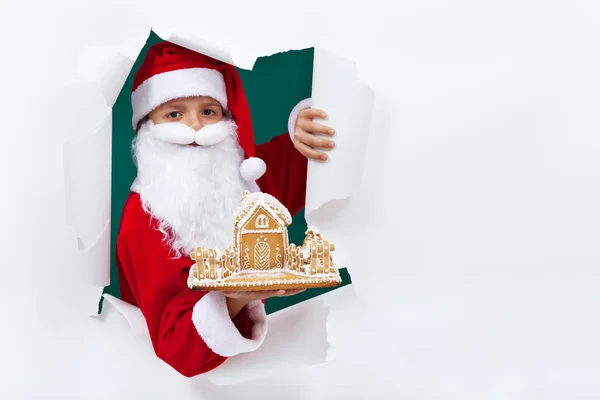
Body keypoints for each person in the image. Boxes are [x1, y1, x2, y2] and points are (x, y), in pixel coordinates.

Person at [115, 41, 336, 377]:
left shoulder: (247, 178)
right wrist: (234, 300)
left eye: (208, 111)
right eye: (174, 113)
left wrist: (309, 127)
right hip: (169, 387)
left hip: (268, 373)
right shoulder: (142, 220)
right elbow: (175, 347)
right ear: (147, 126)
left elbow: (313, 155)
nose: (195, 126)